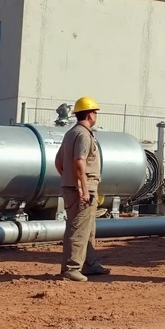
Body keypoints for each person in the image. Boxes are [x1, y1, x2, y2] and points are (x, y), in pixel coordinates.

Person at [53, 96, 111, 281]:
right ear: (90, 114)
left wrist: (69, 179)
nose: (96, 116)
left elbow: (58, 162)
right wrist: (82, 188)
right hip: (83, 189)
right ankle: (71, 268)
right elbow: (80, 161)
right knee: (78, 228)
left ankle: (90, 264)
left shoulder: (70, 133)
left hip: (72, 187)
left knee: (87, 228)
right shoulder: (84, 135)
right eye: (95, 112)